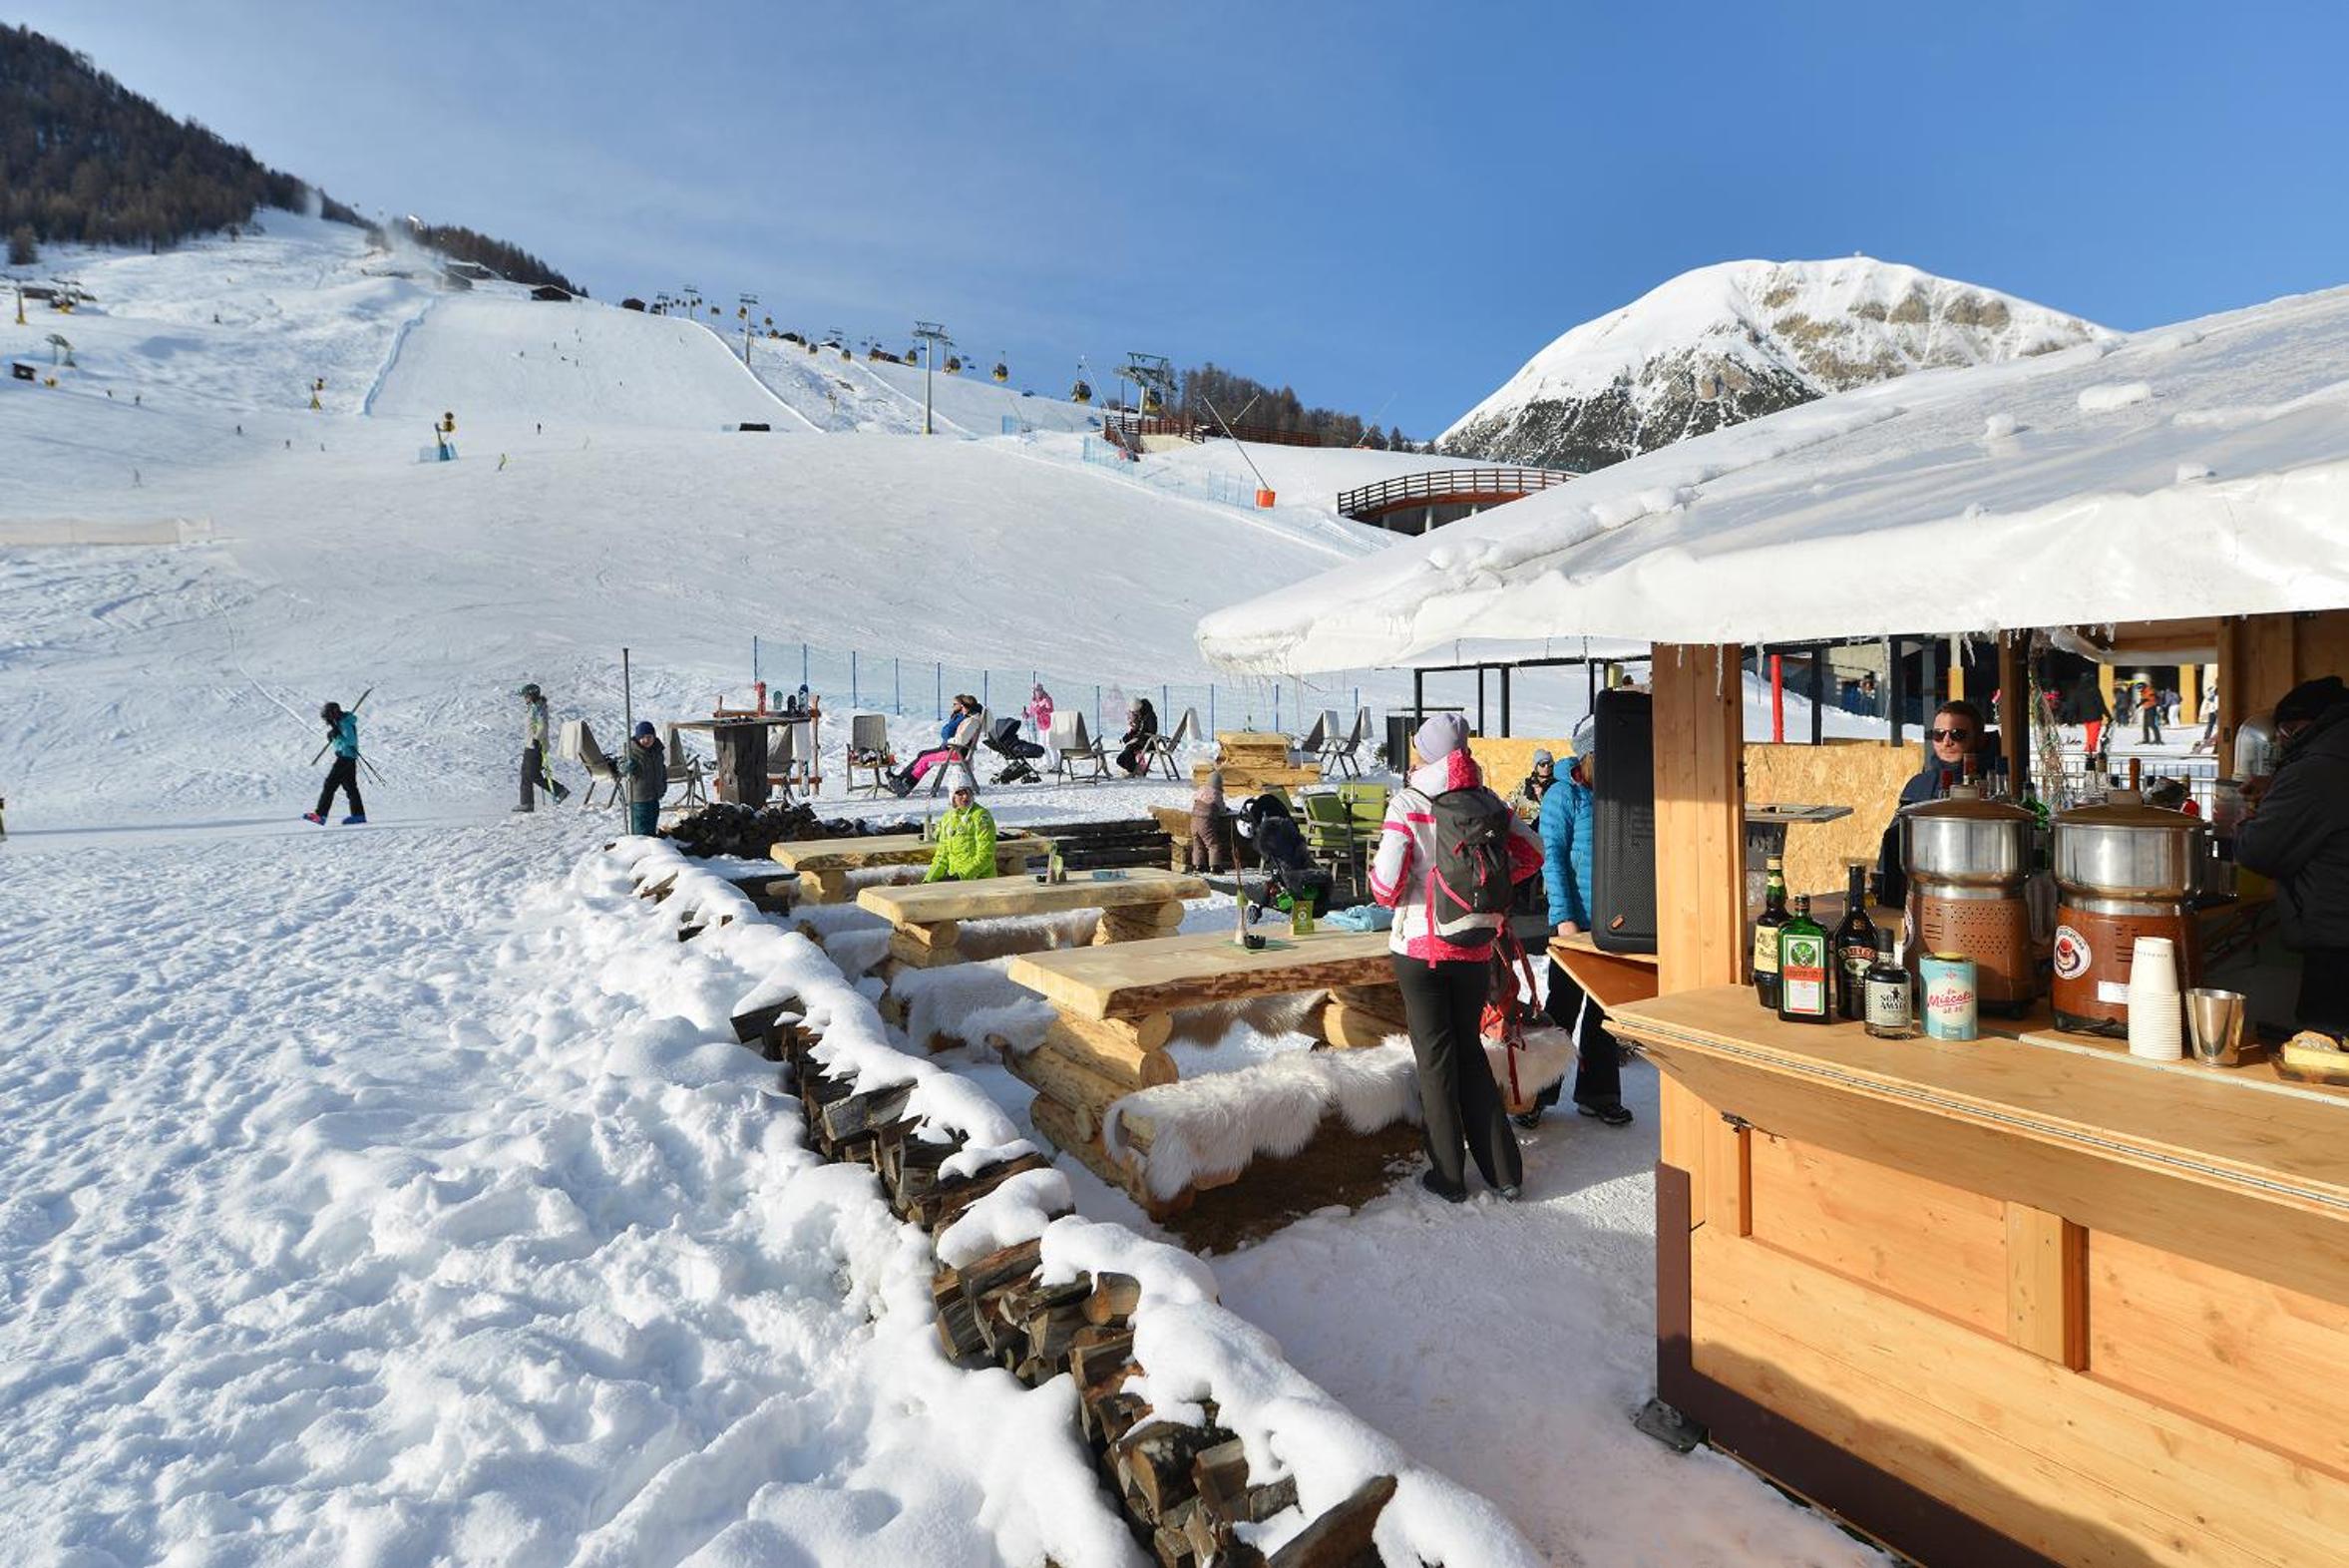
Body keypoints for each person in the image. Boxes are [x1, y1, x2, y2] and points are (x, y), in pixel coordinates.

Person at [1369, 713, 1544, 1202]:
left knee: (1436, 1061)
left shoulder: (1408, 802)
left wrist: (1410, 887)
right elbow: (1533, 853)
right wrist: (1486, 889)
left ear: (1426, 752)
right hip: (1475, 945)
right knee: (1469, 1051)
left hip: (1421, 949)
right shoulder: (1488, 801)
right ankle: (1505, 1173)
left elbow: (1385, 888)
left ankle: (1448, 1176)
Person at [2233, 675, 2349, 1036]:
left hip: (2338, 937)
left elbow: (2259, 850)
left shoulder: (2314, 771)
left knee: (2326, 1047)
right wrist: (2276, 789)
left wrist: (2244, 823)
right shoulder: (2334, 759)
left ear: (2298, 727)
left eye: (2283, 735)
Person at [1533, 724, 1631, 1129]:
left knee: (1604, 1009)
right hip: (1574, 921)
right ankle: (1536, 1095)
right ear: (1591, 757)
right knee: (1563, 1005)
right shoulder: (1563, 795)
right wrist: (1563, 917)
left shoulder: (1617, 794)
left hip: (1613, 920)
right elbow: (1552, 858)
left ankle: (1599, 1094)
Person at [1875, 699, 2003, 905]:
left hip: (1981, 898)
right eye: (1938, 734)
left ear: (1979, 739)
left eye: (1957, 734)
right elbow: (1893, 844)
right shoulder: (1919, 784)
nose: (1946, 741)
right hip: (1919, 898)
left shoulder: (1997, 785)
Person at [892, 695, 984, 796]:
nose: (961, 709)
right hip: (955, 751)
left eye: (962, 707)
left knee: (925, 760)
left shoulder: (971, 721)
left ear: (966, 707)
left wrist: (949, 741)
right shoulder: (971, 719)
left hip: (956, 753)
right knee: (924, 757)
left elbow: (960, 740)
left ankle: (907, 785)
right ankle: (904, 782)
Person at [923, 766, 998, 883]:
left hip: (980, 881)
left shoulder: (981, 816)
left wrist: (961, 875)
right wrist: (929, 880)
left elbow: (986, 855)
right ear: (952, 796)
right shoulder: (948, 818)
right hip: (956, 881)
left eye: (968, 792)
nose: (965, 797)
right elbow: (942, 856)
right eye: (960, 793)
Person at [304, 700, 365, 825]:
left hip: (345, 758)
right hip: (348, 757)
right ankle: (359, 815)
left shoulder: (344, 723)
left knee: (329, 785)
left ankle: (321, 815)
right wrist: (333, 735)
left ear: (333, 714)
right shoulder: (341, 722)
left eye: (327, 717)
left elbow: (351, 741)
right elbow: (341, 741)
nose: (327, 721)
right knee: (350, 787)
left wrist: (337, 735)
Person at [515, 682, 570, 813]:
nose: (525, 699)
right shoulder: (533, 707)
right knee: (525, 774)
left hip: (535, 745)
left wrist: (536, 739)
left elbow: (543, 726)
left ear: (532, 695)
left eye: (526, 696)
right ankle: (526, 803)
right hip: (529, 745)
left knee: (532, 774)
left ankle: (560, 790)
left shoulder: (539, 708)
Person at [617, 720, 666, 837]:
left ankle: (651, 843)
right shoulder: (632, 751)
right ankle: (640, 846)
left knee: (652, 824)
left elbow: (662, 770)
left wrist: (663, 785)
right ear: (638, 738)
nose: (646, 740)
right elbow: (620, 766)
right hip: (639, 798)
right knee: (641, 829)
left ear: (654, 737)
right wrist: (626, 766)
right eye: (643, 738)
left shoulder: (657, 751)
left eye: (649, 737)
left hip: (655, 795)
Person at [1188, 769, 1231, 873]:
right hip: (1206, 823)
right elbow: (1222, 809)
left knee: (1197, 844)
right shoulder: (1216, 794)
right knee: (1212, 844)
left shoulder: (1201, 790)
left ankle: (1198, 865)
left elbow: (1194, 800)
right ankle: (1214, 866)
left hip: (1194, 820)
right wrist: (1224, 810)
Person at [1116, 695, 1159, 777]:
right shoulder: (1142, 716)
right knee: (1122, 757)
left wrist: (1137, 738)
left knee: (1128, 750)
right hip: (1140, 742)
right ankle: (1135, 769)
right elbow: (1137, 730)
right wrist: (1127, 737)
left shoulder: (1150, 716)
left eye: (1136, 712)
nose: (1135, 714)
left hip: (1148, 743)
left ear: (1140, 709)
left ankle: (1134, 770)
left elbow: (1152, 732)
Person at [1512, 748, 1556, 822]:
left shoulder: (1556, 786)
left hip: (1544, 825)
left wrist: (1541, 796)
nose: (1546, 767)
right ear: (1536, 766)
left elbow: (1556, 810)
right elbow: (1510, 803)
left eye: (1549, 764)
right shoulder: (1524, 784)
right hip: (1524, 825)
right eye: (1542, 764)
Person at [1024, 682, 1057, 770]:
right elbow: (1031, 712)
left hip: (1050, 724)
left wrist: (1042, 709)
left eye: (1040, 690)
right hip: (1041, 725)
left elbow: (1051, 710)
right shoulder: (1034, 701)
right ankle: (1047, 763)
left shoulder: (1047, 699)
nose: (1038, 692)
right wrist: (1026, 715)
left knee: (1050, 744)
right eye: (1036, 690)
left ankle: (1056, 764)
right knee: (1042, 745)